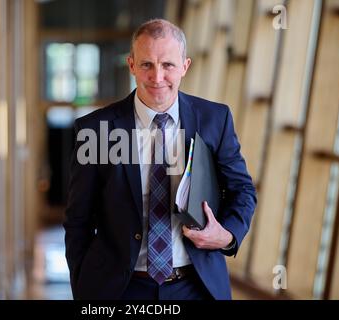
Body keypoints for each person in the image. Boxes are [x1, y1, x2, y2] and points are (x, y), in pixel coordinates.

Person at [64, 18, 257, 300]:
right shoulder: (96, 129)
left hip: (196, 285)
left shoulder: (215, 119)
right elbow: (78, 219)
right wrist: (84, 287)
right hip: (121, 288)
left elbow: (243, 191)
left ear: (185, 67)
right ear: (131, 65)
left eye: (167, 65)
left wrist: (227, 235)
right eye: (146, 65)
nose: (157, 77)